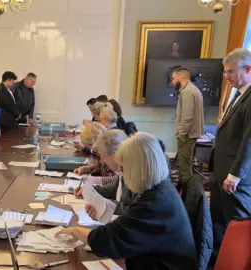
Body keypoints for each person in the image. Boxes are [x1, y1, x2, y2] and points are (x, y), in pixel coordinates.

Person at [57, 132, 197, 270]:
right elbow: (127, 227)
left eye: (123, 168)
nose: (121, 172)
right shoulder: (161, 190)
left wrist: (76, 231)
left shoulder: (153, 205)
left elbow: (107, 241)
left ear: (137, 169)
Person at [210, 48, 251, 260]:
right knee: (218, 222)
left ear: (248, 68)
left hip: (235, 178)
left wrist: (235, 175)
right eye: (225, 73)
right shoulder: (239, 94)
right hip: (221, 173)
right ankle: (218, 262)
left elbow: (249, 141)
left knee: (237, 226)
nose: (227, 78)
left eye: (231, 72)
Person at [171, 67, 204, 183]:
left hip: (187, 135)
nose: (172, 81)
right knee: (185, 163)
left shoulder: (188, 92)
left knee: (184, 166)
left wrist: (181, 134)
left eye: (174, 78)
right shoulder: (192, 90)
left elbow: (187, 117)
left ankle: (188, 195)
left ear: (181, 78)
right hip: (190, 134)